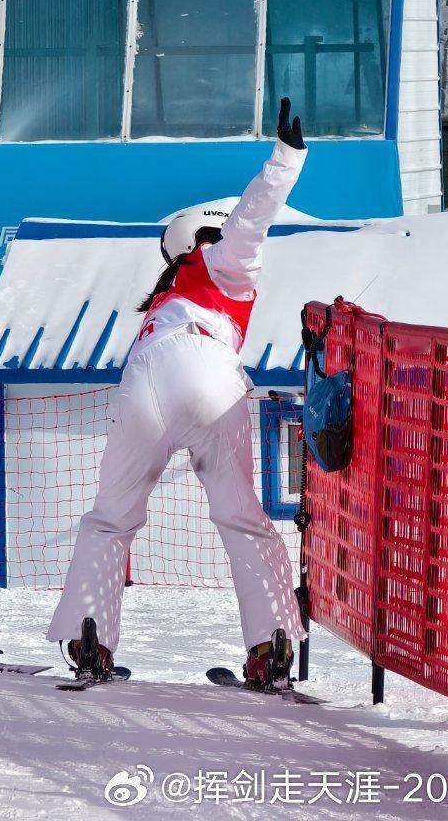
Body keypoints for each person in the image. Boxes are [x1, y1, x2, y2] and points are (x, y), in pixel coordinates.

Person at [48, 98, 309, 688]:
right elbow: (252, 220)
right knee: (243, 519)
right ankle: (271, 647)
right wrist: (286, 161)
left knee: (110, 519)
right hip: (208, 371)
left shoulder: (162, 302)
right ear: (205, 237)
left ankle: (90, 641)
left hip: (141, 378)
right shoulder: (222, 264)